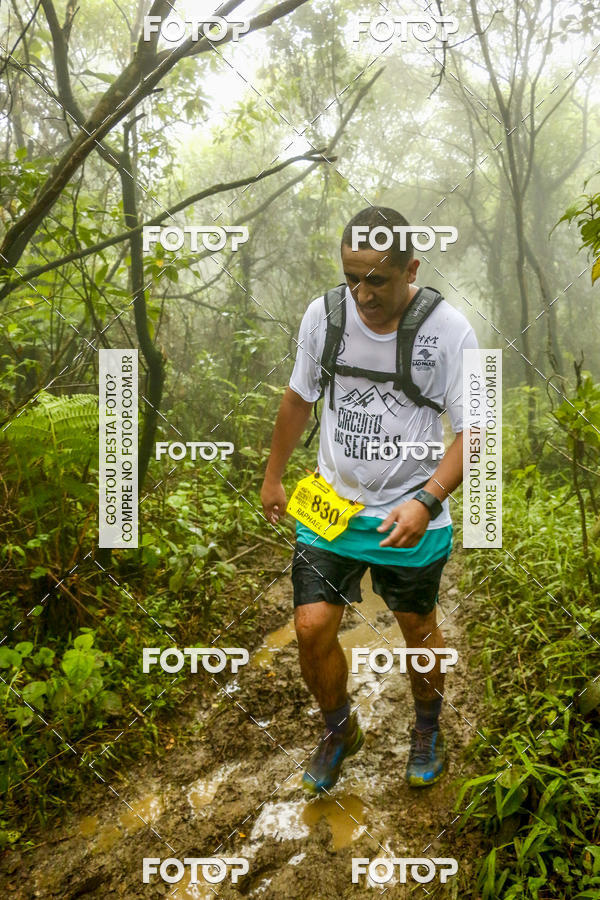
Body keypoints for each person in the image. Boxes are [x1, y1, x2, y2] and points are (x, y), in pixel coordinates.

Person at [260, 206, 478, 794]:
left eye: (376, 280)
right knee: (310, 627)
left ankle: (427, 727)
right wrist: (274, 475)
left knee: (418, 628)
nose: (361, 294)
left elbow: (476, 431)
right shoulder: (325, 315)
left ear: (412, 270)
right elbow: (297, 398)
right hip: (330, 502)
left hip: (410, 510)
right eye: (351, 277)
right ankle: (339, 729)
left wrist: (428, 500)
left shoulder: (451, 331)